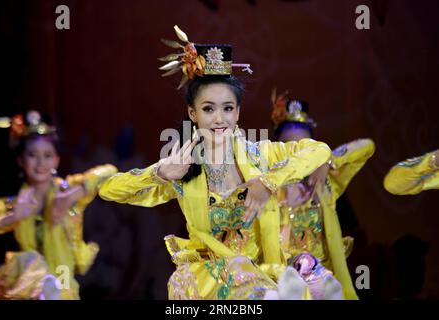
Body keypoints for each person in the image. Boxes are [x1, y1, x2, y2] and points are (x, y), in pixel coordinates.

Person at [99, 26, 332, 300]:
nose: (219, 119)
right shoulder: (183, 168)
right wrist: (160, 173)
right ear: (193, 113)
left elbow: (318, 150)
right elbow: (108, 189)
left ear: (238, 113)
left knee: (317, 280)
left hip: (261, 274)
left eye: (227, 108)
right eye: (208, 109)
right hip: (206, 281)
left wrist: (268, 182)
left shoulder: (260, 156)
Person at [0, 110, 117, 299]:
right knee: (28, 261)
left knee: (58, 287)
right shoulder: (13, 204)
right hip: (27, 287)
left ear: (56, 159)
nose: (40, 163)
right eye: (32, 155)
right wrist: (13, 218)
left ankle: (49, 291)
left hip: (63, 279)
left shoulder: (68, 190)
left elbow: (110, 171)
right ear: (21, 161)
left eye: (47, 155)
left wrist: (71, 196)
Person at [271, 89, 375, 299]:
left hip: (323, 280)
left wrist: (329, 161)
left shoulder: (324, 185)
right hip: (282, 282)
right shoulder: (268, 189)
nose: (298, 154)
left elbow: (367, 146)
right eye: (290, 146)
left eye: (305, 147)